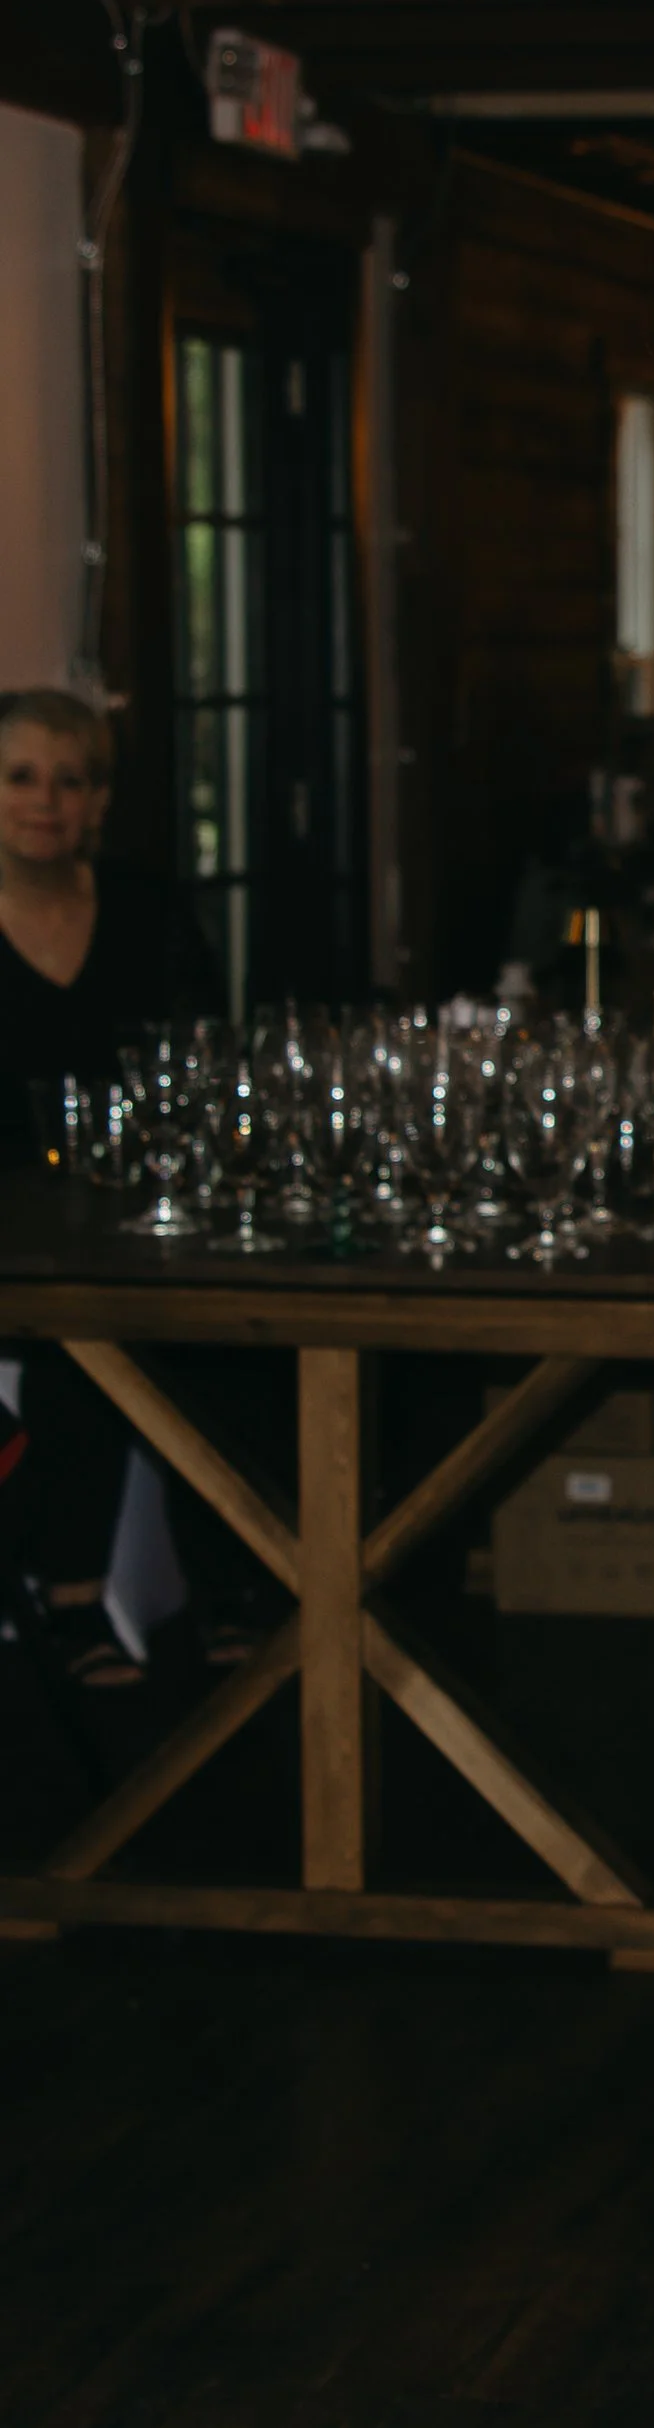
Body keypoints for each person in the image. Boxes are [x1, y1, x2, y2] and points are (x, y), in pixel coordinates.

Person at [0, 688, 216, 1691]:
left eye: (69, 779)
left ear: (98, 800)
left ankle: (242, 1586)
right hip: (16, 1233)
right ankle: (72, 1596)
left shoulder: (147, 909)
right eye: (19, 777)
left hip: (135, 1208)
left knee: (238, 1336)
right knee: (81, 1342)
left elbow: (205, 1060)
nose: (44, 801)